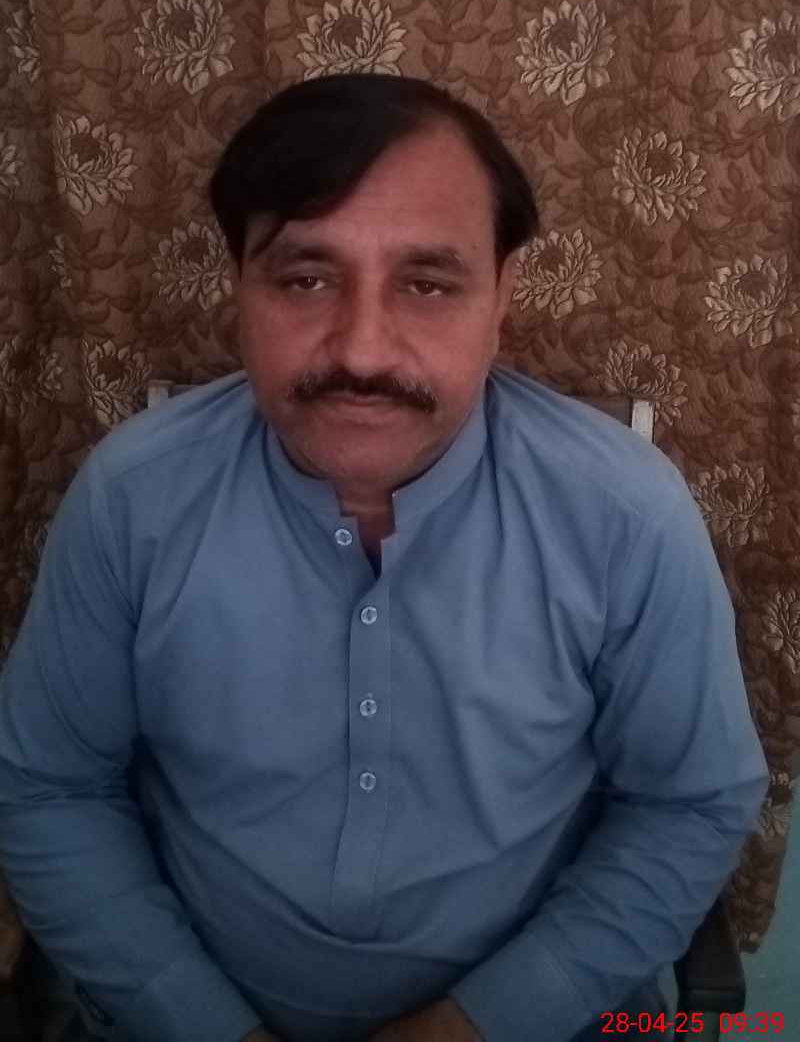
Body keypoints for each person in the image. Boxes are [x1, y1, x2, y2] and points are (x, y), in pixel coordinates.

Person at [0, 73, 768, 1042]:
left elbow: (689, 802)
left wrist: (476, 1024)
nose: (362, 349)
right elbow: (50, 786)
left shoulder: (625, 517)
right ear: (238, 284)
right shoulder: (132, 500)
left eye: (427, 284)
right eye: (305, 279)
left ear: (502, 297)